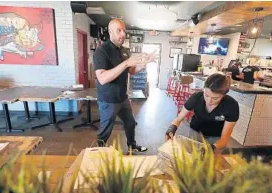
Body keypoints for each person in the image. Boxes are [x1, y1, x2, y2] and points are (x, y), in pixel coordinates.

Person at [93, 19, 157, 152]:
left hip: (123, 98)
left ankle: (132, 145)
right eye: (119, 30)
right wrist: (126, 63)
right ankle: (97, 153)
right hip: (108, 100)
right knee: (105, 131)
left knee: (130, 123)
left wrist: (145, 62)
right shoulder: (101, 51)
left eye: (124, 30)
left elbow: (132, 71)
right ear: (110, 32)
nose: (123, 34)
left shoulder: (125, 51)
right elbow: (102, 78)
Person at [165, 73, 239, 152]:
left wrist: (212, 148)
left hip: (216, 138)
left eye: (215, 98)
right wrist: (172, 128)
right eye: (206, 95)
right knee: (191, 156)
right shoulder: (196, 97)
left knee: (210, 160)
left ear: (223, 95)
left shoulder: (231, 106)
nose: (209, 100)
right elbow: (179, 118)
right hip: (195, 132)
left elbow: (224, 139)